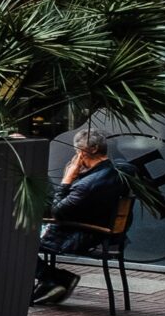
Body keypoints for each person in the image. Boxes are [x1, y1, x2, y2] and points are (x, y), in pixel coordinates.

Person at [34, 130, 127, 306]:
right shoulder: (117, 172)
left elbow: (57, 212)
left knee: (19, 242)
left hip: (82, 236)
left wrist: (67, 179)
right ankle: (52, 280)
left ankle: (57, 278)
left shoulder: (88, 184)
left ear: (89, 150)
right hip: (102, 234)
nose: (76, 156)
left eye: (77, 151)